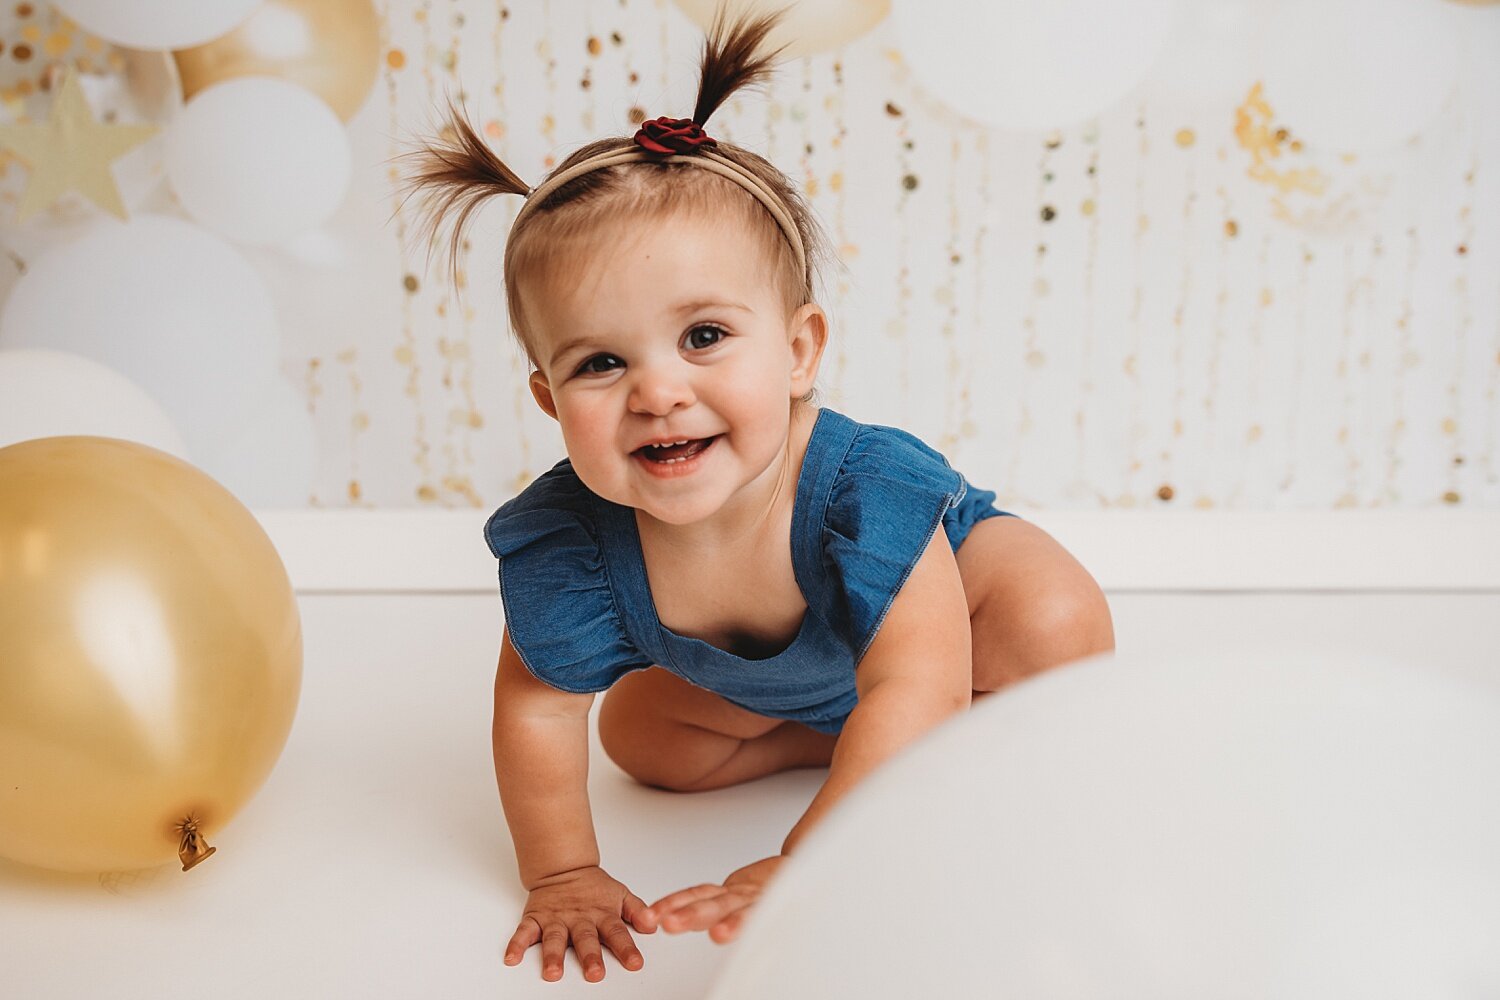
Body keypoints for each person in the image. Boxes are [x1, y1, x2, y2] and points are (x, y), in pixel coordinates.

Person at [402, 9, 1114, 985]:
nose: (658, 391)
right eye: (602, 362)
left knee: (1056, 620)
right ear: (548, 398)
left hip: (948, 632)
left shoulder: (859, 495)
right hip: (795, 687)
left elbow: (918, 677)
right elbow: (538, 709)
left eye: (703, 337)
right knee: (644, 741)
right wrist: (563, 869)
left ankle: (916, 750)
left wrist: (805, 857)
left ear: (799, 350)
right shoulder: (573, 540)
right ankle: (824, 737)